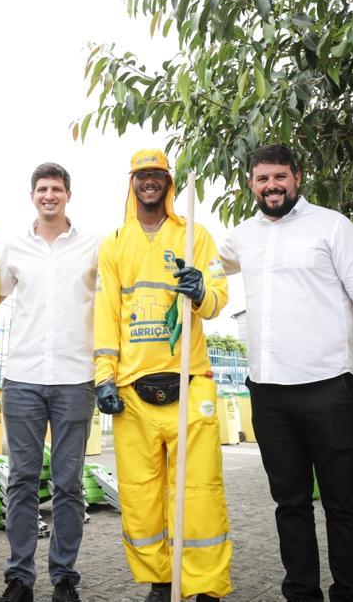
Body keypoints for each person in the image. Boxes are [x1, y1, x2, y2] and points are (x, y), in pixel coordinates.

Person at [219, 144, 353, 602]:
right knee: (289, 504)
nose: (271, 186)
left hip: (328, 389)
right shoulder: (241, 236)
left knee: (343, 505)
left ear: (297, 176)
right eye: (262, 179)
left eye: (279, 177)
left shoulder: (332, 226)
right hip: (268, 394)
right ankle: (300, 593)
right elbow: (200, 263)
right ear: (251, 185)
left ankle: (352, 594)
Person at [94, 148, 230, 602]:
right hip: (132, 390)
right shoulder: (114, 243)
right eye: (141, 176)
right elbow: (106, 315)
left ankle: (206, 585)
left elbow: (219, 298)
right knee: (140, 494)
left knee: (199, 492)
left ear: (168, 183)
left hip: (190, 381)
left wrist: (200, 292)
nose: (149, 182)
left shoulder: (195, 236)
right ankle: (159, 581)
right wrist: (103, 377)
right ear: (131, 183)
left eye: (157, 176)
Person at [0, 162, 100, 602]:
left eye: (57, 188)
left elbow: (117, 296)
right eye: (42, 189)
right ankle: (19, 576)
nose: (49, 195)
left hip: (77, 378)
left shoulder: (94, 246)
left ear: (68, 195)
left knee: (68, 482)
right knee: (21, 479)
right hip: (23, 377)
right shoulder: (15, 246)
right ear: (32, 195)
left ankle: (64, 577)